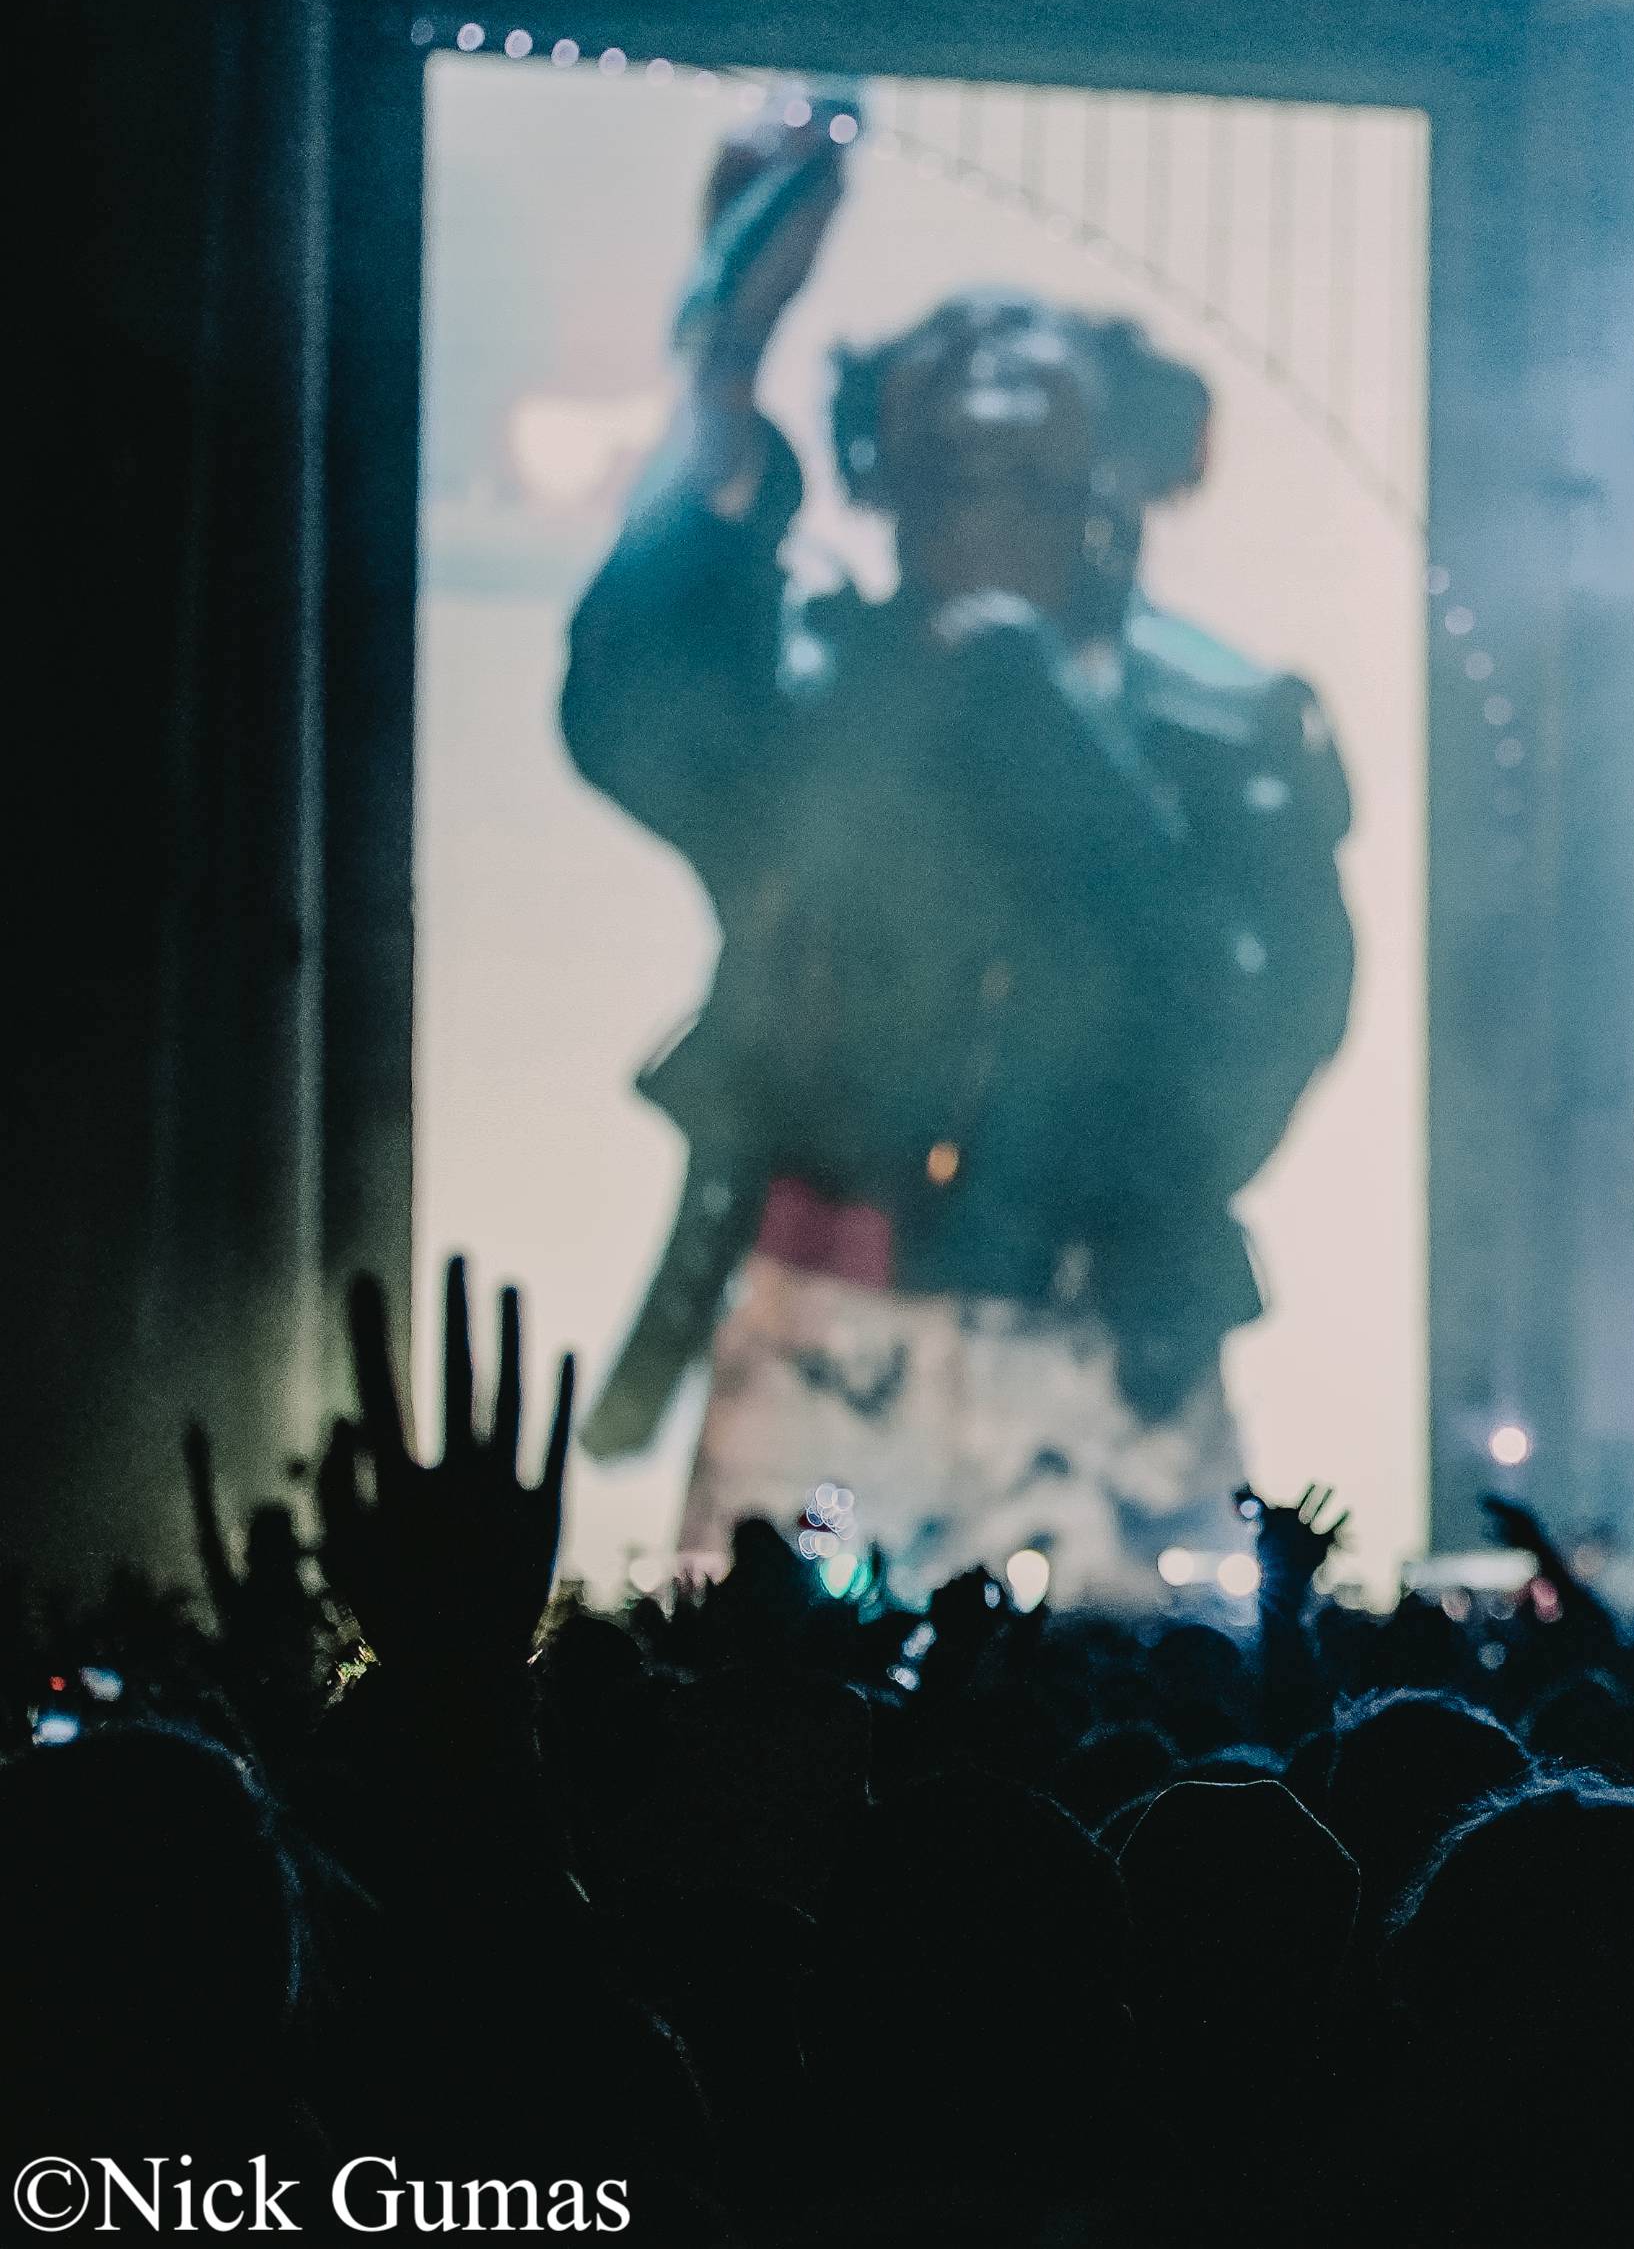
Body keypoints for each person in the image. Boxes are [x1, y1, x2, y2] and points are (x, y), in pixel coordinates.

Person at [559, 94, 1356, 1598]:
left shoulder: (1232, 720)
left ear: (1123, 458)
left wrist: (1126, 1186)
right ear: (879, 458)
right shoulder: (808, 685)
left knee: (1149, 1758)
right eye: (953, 351)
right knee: (770, 1742)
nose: (990, 354)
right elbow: (628, 710)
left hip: (1114, 1332)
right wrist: (725, 361)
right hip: (832, 1326)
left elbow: (1280, 1010)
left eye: (1029, 347)